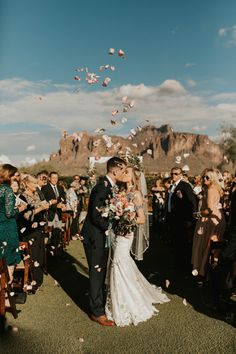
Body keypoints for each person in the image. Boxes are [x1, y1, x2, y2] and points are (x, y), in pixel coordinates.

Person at [105, 167, 170, 326]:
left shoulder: (137, 195)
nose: (123, 173)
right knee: (118, 262)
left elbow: (141, 219)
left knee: (118, 263)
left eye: (126, 172)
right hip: (116, 233)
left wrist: (126, 221)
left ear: (133, 177)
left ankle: (127, 303)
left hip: (126, 234)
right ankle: (117, 300)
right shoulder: (118, 193)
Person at [81, 157, 127, 326]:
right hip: (95, 237)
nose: (123, 173)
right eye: (122, 170)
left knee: (101, 272)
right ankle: (97, 312)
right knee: (96, 273)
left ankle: (99, 303)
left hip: (102, 237)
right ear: (115, 170)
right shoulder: (102, 188)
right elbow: (95, 216)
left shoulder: (110, 187)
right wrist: (114, 223)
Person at [192, 169, 226, 278]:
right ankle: (208, 271)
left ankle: (202, 271)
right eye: (203, 177)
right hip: (218, 218)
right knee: (212, 246)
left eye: (207, 177)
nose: (204, 179)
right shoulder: (216, 189)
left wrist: (198, 214)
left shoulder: (211, 189)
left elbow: (210, 209)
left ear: (213, 178)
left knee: (205, 244)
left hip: (210, 219)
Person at [166, 167, 197, 272]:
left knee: (182, 244)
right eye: (172, 174)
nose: (173, 176)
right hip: (173, 219)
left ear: (180, 174)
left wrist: (188, 221)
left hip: (182, 221)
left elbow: (192, 203)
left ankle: (183, 268)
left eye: (176, 174)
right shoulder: (173, 186)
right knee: (176, 244)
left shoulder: (185, 186)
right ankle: (177, 265)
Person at [0, 164, 26, 285]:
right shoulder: (7, 189)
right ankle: (4, 295)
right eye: (14, 176)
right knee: (9, 261)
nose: (15, 179)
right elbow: (10, 213)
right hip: (7, 229)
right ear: (8, 175)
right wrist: (20, 209)